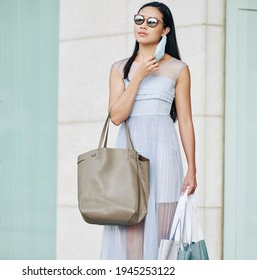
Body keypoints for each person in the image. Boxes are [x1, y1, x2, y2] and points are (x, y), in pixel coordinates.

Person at [101, 1, 197, 260]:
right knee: (132, 244)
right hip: (129, 159)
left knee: (162, 244)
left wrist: (192, 168)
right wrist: (139, 76)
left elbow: (185, 121)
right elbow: (117, 117)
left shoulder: (178, 68)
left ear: (165, 30)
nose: (143, 26)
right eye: (139, 19)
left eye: (152, 22)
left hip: (165, 157)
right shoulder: (119, 68)